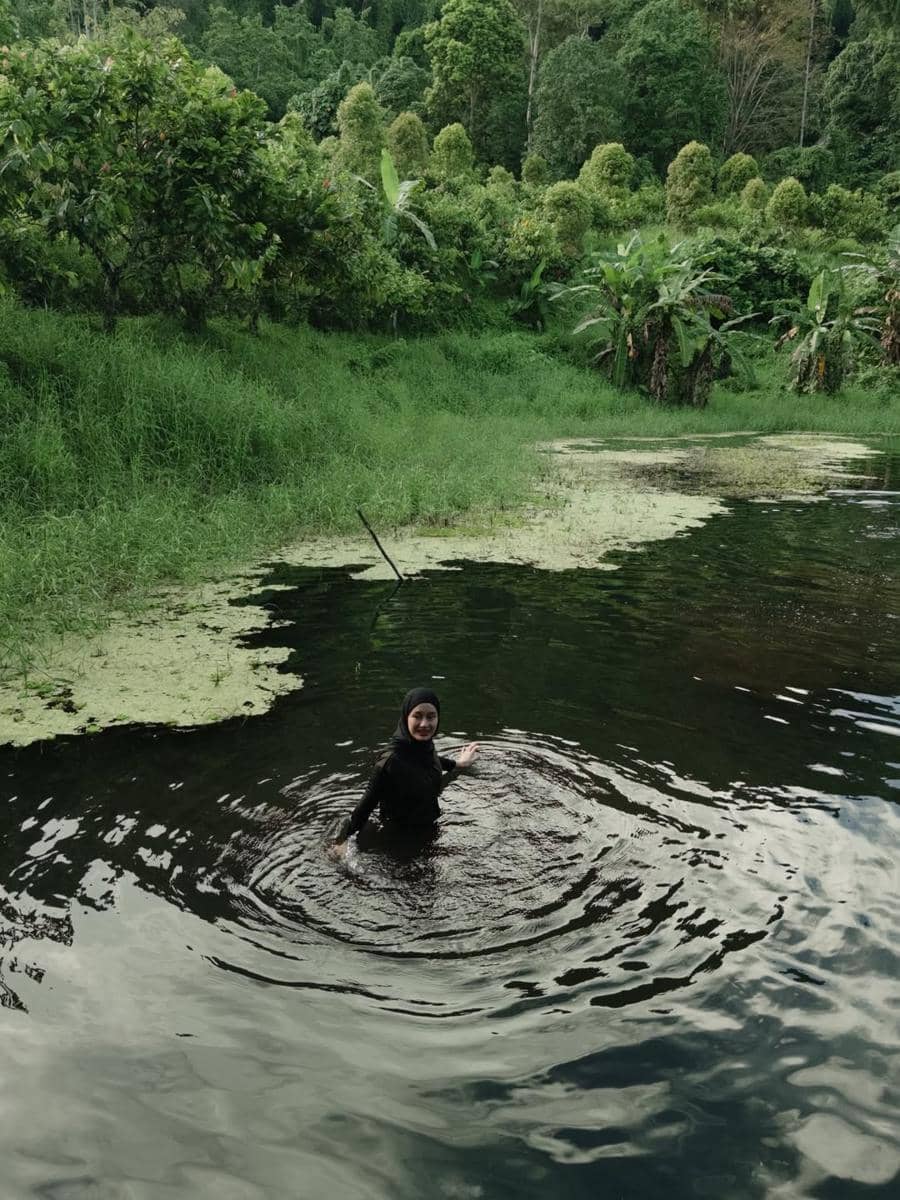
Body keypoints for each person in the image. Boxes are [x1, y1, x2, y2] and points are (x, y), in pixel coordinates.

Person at [328, 687, 478, 859]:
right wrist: (344, 841)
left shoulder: (424, 747)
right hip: (401, 842)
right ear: (406, 717)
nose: (424, 724)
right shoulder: (390, 761)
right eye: (417, 716)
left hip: (430, 828)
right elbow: (366, 804)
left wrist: (459, 764)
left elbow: (431, 760)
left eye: (431, 716)